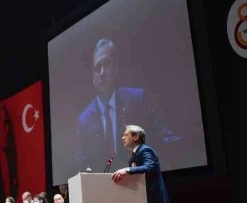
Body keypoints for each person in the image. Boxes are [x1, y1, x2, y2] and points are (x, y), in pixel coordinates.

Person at [75, 39, 180, 173]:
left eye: (106, 64)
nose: (102, 73)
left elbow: (164, 136)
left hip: (138, 183)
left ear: (116, 67)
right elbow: (80, 164)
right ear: (93, 77)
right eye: (97, 68)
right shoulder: (84, 120)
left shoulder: (136, 99)